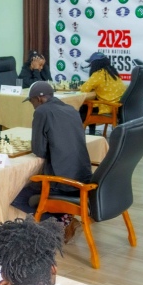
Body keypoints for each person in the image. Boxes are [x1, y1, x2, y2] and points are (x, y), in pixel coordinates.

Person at [11, 82, 92, 242]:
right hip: (83, 178)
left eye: (32, 102)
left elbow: (39, 150)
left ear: (39, 99)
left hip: (62, 182)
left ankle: (62, 223)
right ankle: (66, 218)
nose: (33, 106)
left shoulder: (42, 111)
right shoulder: (71, 109)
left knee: (15, 195)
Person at [78, 52, 125, 134]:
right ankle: (92, 133)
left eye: (91, 64)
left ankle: (82, 134)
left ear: (95, 64)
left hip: (107, 107)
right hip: (117, 107)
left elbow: (84, 89)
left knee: (82, 108)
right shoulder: (113, 73)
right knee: (88, 106)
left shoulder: (98, 74)